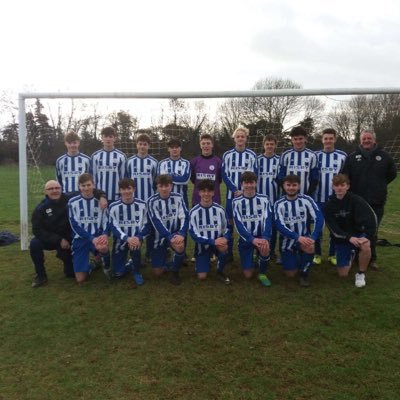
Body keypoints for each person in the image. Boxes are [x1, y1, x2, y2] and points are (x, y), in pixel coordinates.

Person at [30, 179, 107, 288]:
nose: (54, 191)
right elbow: (37, 230)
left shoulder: (69, 198)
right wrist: (58, 240)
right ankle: (41, 276)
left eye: (57, 188)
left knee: (70, 274)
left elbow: (90, 190)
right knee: (34, 244)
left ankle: (91, 263)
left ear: (61, 189)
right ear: (45, 191)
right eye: (50, 189)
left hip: (69, 239)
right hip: (53, 239)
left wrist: (102, 196)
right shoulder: (40, 209)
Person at [342, 129, 397, 270]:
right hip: (356, 201)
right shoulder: (352, 157)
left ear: (374, 140)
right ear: (360, 140)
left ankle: (372, 259)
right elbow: (345, 176)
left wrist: (379, 186)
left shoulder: (384, 157)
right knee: (355, 229)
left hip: (376, 201)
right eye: (364, 138)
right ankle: (355, 257)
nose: (367, 140)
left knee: (372, 231)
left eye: (369, 138)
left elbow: (392, 174)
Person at [324, 174, 377, 288]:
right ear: (333, 187)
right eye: (336, 185)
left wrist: (366, 236)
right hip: (342, 238)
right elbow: (333, 229)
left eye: (342, 185)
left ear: (347, 186)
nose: (339, 188)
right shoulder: (329, 205)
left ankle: (361, 273)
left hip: (358, 234)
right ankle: (352, 253)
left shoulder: (357, 200)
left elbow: (372, 219)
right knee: (342, 274)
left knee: (366, 245)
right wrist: (349, 238)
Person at [274, 175, 324, 287]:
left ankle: (304, 275)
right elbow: (279, 225)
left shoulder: (307, 200)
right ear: (284, 186)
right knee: (290, 274)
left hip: (304, 239)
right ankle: (295, 257)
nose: (291, 188)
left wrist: (313, 237)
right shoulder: (279, 204)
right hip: (287, 242)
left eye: (294, 185)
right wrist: (297, 237)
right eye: (288, 185)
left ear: (299, 186)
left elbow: (319, 218)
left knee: (310, 246)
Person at [222, 126, 258, 259]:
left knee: (249, 223)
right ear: (234, 138)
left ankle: (250, 252)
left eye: (243, 136)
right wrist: (234, 190)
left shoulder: (252, 155)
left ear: (246, 138)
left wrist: (244, 190)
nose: (240, 138)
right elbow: (224, 174)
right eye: (238, 136)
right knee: (230, 224)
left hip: (247, 196)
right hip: (232, 196)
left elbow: (255, 174)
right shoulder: (227, 155)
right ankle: (229, 252)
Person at [68, 173, 111, 283]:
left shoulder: (101, 202)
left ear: (93, 185)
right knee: (81, 279)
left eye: (88, 185)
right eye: (83, 186)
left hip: (97, 235)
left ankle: (106, 267)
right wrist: (91, 238)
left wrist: (105, 234)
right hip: (80, 239)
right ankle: (91, 265)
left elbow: (107, 221)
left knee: (103, 247)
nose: (86, 188)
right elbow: (74, 225)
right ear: (79, 186)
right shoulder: (73, 202)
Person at [313, 128, 347, 265]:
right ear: (322, 140)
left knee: (335, 229)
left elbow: (345, 176)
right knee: (318, 228)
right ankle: (317, 254)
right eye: (325, 138)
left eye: (330, 138)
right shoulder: (315, 156)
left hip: (335, 200)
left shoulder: (342, 156)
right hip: (318, 199)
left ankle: (333, 254)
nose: (328, 141)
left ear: (335, 139)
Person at [232, 172, 273, 287]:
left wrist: (265, 237)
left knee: (265, 247)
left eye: (252, 183)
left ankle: (262, 273)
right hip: (246, 239)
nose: (249, 186)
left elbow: (268, 219)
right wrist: (251, 239)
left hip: (261, 236)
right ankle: (254, 258)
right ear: (242, 184)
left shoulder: (264, 199)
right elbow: (238, 224)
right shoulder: (236, 202)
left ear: (256, 183)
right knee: (248, 275)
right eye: (246, 183)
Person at [147, 174, 189, 285]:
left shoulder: (178, 197)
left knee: (180, 246)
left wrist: (181, 233)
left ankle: (175, 272)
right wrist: (168, 236)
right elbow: (156, 222)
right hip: (159, 236)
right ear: (157, 187)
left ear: (171, 186)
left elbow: (184, 216)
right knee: (157, 273)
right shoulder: (151, 201)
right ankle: (170, 259)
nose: (164, 188)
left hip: (175, 233)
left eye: (167, 186)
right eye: (161, 186)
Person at [109, 178, 150, 286]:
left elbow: (146, 225)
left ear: (134, 189)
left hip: (136, 239)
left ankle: (136, 271)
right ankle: (130, 263)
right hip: (120, 241)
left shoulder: (142, 205)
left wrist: (138, 237)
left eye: (129, 188)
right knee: (118, 273)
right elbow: (113, 226)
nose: (126, 191)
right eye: (123, 189)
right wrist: (126, 238)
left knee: (135, 246)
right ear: (119, 190)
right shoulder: (113, 206)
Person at [189, 179, 232, 284]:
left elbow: (228, 228)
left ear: (213, 193)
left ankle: (219, 270)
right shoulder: (193, 212)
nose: (206, 194)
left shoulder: (220, 210)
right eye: (203, 191)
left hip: (217, 244)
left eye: (209, 191)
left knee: (224, 247)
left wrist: (225, 238)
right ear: (199, 193)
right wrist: (212, 241)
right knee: (202, 277)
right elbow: (193, 234)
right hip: (202, 246)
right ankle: (202, 260)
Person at [126, 133, 158, 261]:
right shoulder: (130, 162)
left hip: (149, 201)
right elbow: (127, 180)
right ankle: (134, 254)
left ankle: (150, 253)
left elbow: (156, 182)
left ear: (148, 146)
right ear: (136, 145)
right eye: (140, 144)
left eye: (145, 144)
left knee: (149, 228)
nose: (142, 146)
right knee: (135, 227)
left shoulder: (154, 162)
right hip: (134, 201)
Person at [257, 134, 280, 258]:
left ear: (275, 145)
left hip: (274, 199)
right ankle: (258, 250)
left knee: (273, 226)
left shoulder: (279, 160)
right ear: (263, 145)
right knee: (259, 225)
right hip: (259, 200)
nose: (269, 146)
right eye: (267, 144)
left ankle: (271, 251)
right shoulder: (257, 160)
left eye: (272, 144)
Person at [278, 126, 319, 196]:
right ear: (291, 140)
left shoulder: (312, 155)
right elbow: (281, 176)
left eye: (300, 139)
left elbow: (314, 178)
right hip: (288, 196)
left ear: (305, 139)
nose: (298, 141)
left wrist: (309, 193)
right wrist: (286, 191)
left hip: (306, 195)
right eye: (295, 139)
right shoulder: (285, 155)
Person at [91, 126, 127, 203]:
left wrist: (122, 193)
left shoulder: (121, 156)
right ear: (102, 138)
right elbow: (93, 177)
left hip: (116, 195)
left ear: (114, 138)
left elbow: (123, 178)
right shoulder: (95, 156)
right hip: (99, 196)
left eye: (110, 137)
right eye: (105, 136)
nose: (108, 139)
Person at [190, 133, 222, 207]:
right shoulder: (194, 162)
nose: (206, 146)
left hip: (214, 200)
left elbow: (219, 180)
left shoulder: (218, 161)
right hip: (197, 200)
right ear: (200, 145)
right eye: (203, 143)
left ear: (212, 145)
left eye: (208, 143)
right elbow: (193, 179)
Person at [157, 138, 191, 207]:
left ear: (180, 148)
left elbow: (185, 180)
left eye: (176, 147)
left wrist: (169, 176)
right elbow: (161, 181)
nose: (174, 149)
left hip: (182, 200)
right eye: (172, 147)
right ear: (168, 149)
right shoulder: (162, 163)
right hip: (165, 200)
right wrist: (177, 177)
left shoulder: (186, 163)